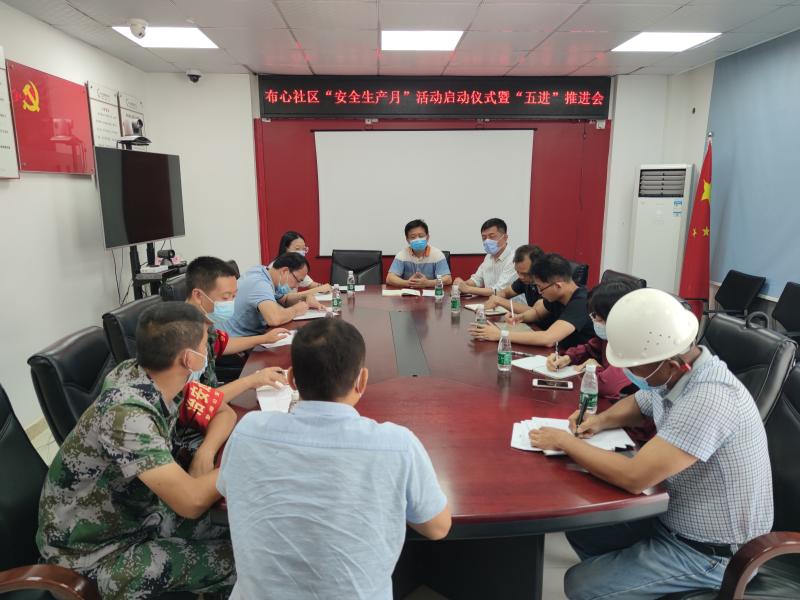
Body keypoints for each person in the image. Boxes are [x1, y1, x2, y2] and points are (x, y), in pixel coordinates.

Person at [528, 288, 773, 599]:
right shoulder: (676, 373)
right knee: (583, 524)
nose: (628, 373)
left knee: (582, 585)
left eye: (633, 368)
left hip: (711, 552)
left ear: (669, 363)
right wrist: (598, 421)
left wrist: (565, 442)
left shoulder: (709, 398)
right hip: (668, 517)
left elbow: (635, 477)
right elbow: (639, 403)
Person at [218, 318, 452, 599]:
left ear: (292, 380)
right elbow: (438, 527)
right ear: (362, 380)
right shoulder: (397, 445)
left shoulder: (248, 430)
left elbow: (228, 490)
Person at [37, 303, 237, 600]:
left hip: (139, 517)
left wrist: (205, 454)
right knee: (242, 561)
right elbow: (191, 502)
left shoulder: (157, 377)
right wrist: (245, 462)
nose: (208, 350)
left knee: (243, 530)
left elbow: (224, 411)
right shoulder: (126, 413)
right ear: (188, 359)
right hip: (91, 556)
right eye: (203, 344)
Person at [546, 279, 655, 444]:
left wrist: (593, 369)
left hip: (635, 427)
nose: (594, 322)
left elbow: (606, 386)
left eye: (597, 317)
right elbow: (591, 348)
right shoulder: (609, 335)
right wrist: (568, 357)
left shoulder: (634, 344)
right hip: (611, 415)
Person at [469, 253, 594, 349]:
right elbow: (537, 313)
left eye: (540, 287)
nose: (539, 292)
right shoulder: (558, 296)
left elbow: (548, 338)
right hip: (558, 354)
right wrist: (519, 317)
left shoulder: (582, 302)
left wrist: (500, 334)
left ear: (558, 286)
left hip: (578, 362)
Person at [222, 252, 324, 335]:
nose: (297, 286)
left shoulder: (264, 272)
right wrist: (296, 310)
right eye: (298, 280)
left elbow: (284, 300)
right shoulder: (260, 283)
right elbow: (274, 319)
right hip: (233, 342)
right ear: (285, 271)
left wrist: (305, 297)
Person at [452, 218, 516, 297]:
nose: (487, 241)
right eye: (484, 238)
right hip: (491, 302)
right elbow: (477, 280)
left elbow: (499, 291)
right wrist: (463, 284)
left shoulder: (514, 258)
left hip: (510, 303)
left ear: (505, 237)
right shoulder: (488, 257)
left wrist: (467, 289)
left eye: (492, 236)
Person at [386, 219, 452, 288]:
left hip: (431, 293)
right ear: (407, 240)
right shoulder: (402, 255)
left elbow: (447, 279)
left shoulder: (437, 254)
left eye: (421, 236)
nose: (417, 239)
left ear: (427, 237)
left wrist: (428, 283)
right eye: (413, 237)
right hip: (409, 293)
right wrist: (408, 283)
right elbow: (389, 278)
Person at [483, 244, 544, 314]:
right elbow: (506, 292)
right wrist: (494, 299)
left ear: (538, 267)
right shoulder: (525, 280)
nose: (520, 277)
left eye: (525, 273)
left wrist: (499, 301)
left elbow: (537, 312)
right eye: (518, 272)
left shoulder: (548, 282)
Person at [272, 231, 331, 299]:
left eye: (304, 249)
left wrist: (322, 287)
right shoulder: (275, 268)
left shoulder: (297, 267)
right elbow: (284, 298)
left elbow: (311, 284)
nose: (301, 252)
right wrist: (317, 290)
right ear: (286, 248)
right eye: (297, 249)